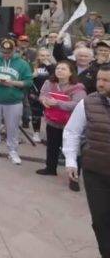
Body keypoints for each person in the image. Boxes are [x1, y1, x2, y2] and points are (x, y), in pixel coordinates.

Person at [63, 64, 110, 257]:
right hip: (95, 172)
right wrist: (71, 161)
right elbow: (72, 131)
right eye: (99, 79)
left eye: (106, 80)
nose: (100, 83)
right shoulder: (88, 103)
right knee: (100, 219)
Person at [0, 38, 33, 165]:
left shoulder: (22, 63)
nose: (5, 55)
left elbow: (28, 82)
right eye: (3, 52)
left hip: (13, 100)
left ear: (14, 50)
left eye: (8, 52)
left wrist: (13, 83)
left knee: (12, 127)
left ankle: (13, 151)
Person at [36, 61, 86, 186]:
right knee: (52, 147)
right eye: (58, 68)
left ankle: (74, 179)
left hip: (70, 125)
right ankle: (50, 168)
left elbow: (78, 104)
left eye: (63, 69)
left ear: (70, 72)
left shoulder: (78, 88)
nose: (59, 71)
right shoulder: (49, 83)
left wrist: (57, 103)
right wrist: (44, 101)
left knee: (73, 151)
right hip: (53, 121)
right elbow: (42, 95)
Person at [28, 48, 56, 143]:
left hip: (49, 94)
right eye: (42, 55)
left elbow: (56, 77)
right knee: (36, 114)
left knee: (49, 114)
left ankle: (49, 134)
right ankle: (36, 133)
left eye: (47, 55)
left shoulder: (53, 66)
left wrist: (49, 66)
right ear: (38, 57)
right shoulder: (33, 66)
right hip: (36, 93)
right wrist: (32, 75)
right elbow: (27, 78)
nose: (45, 58)